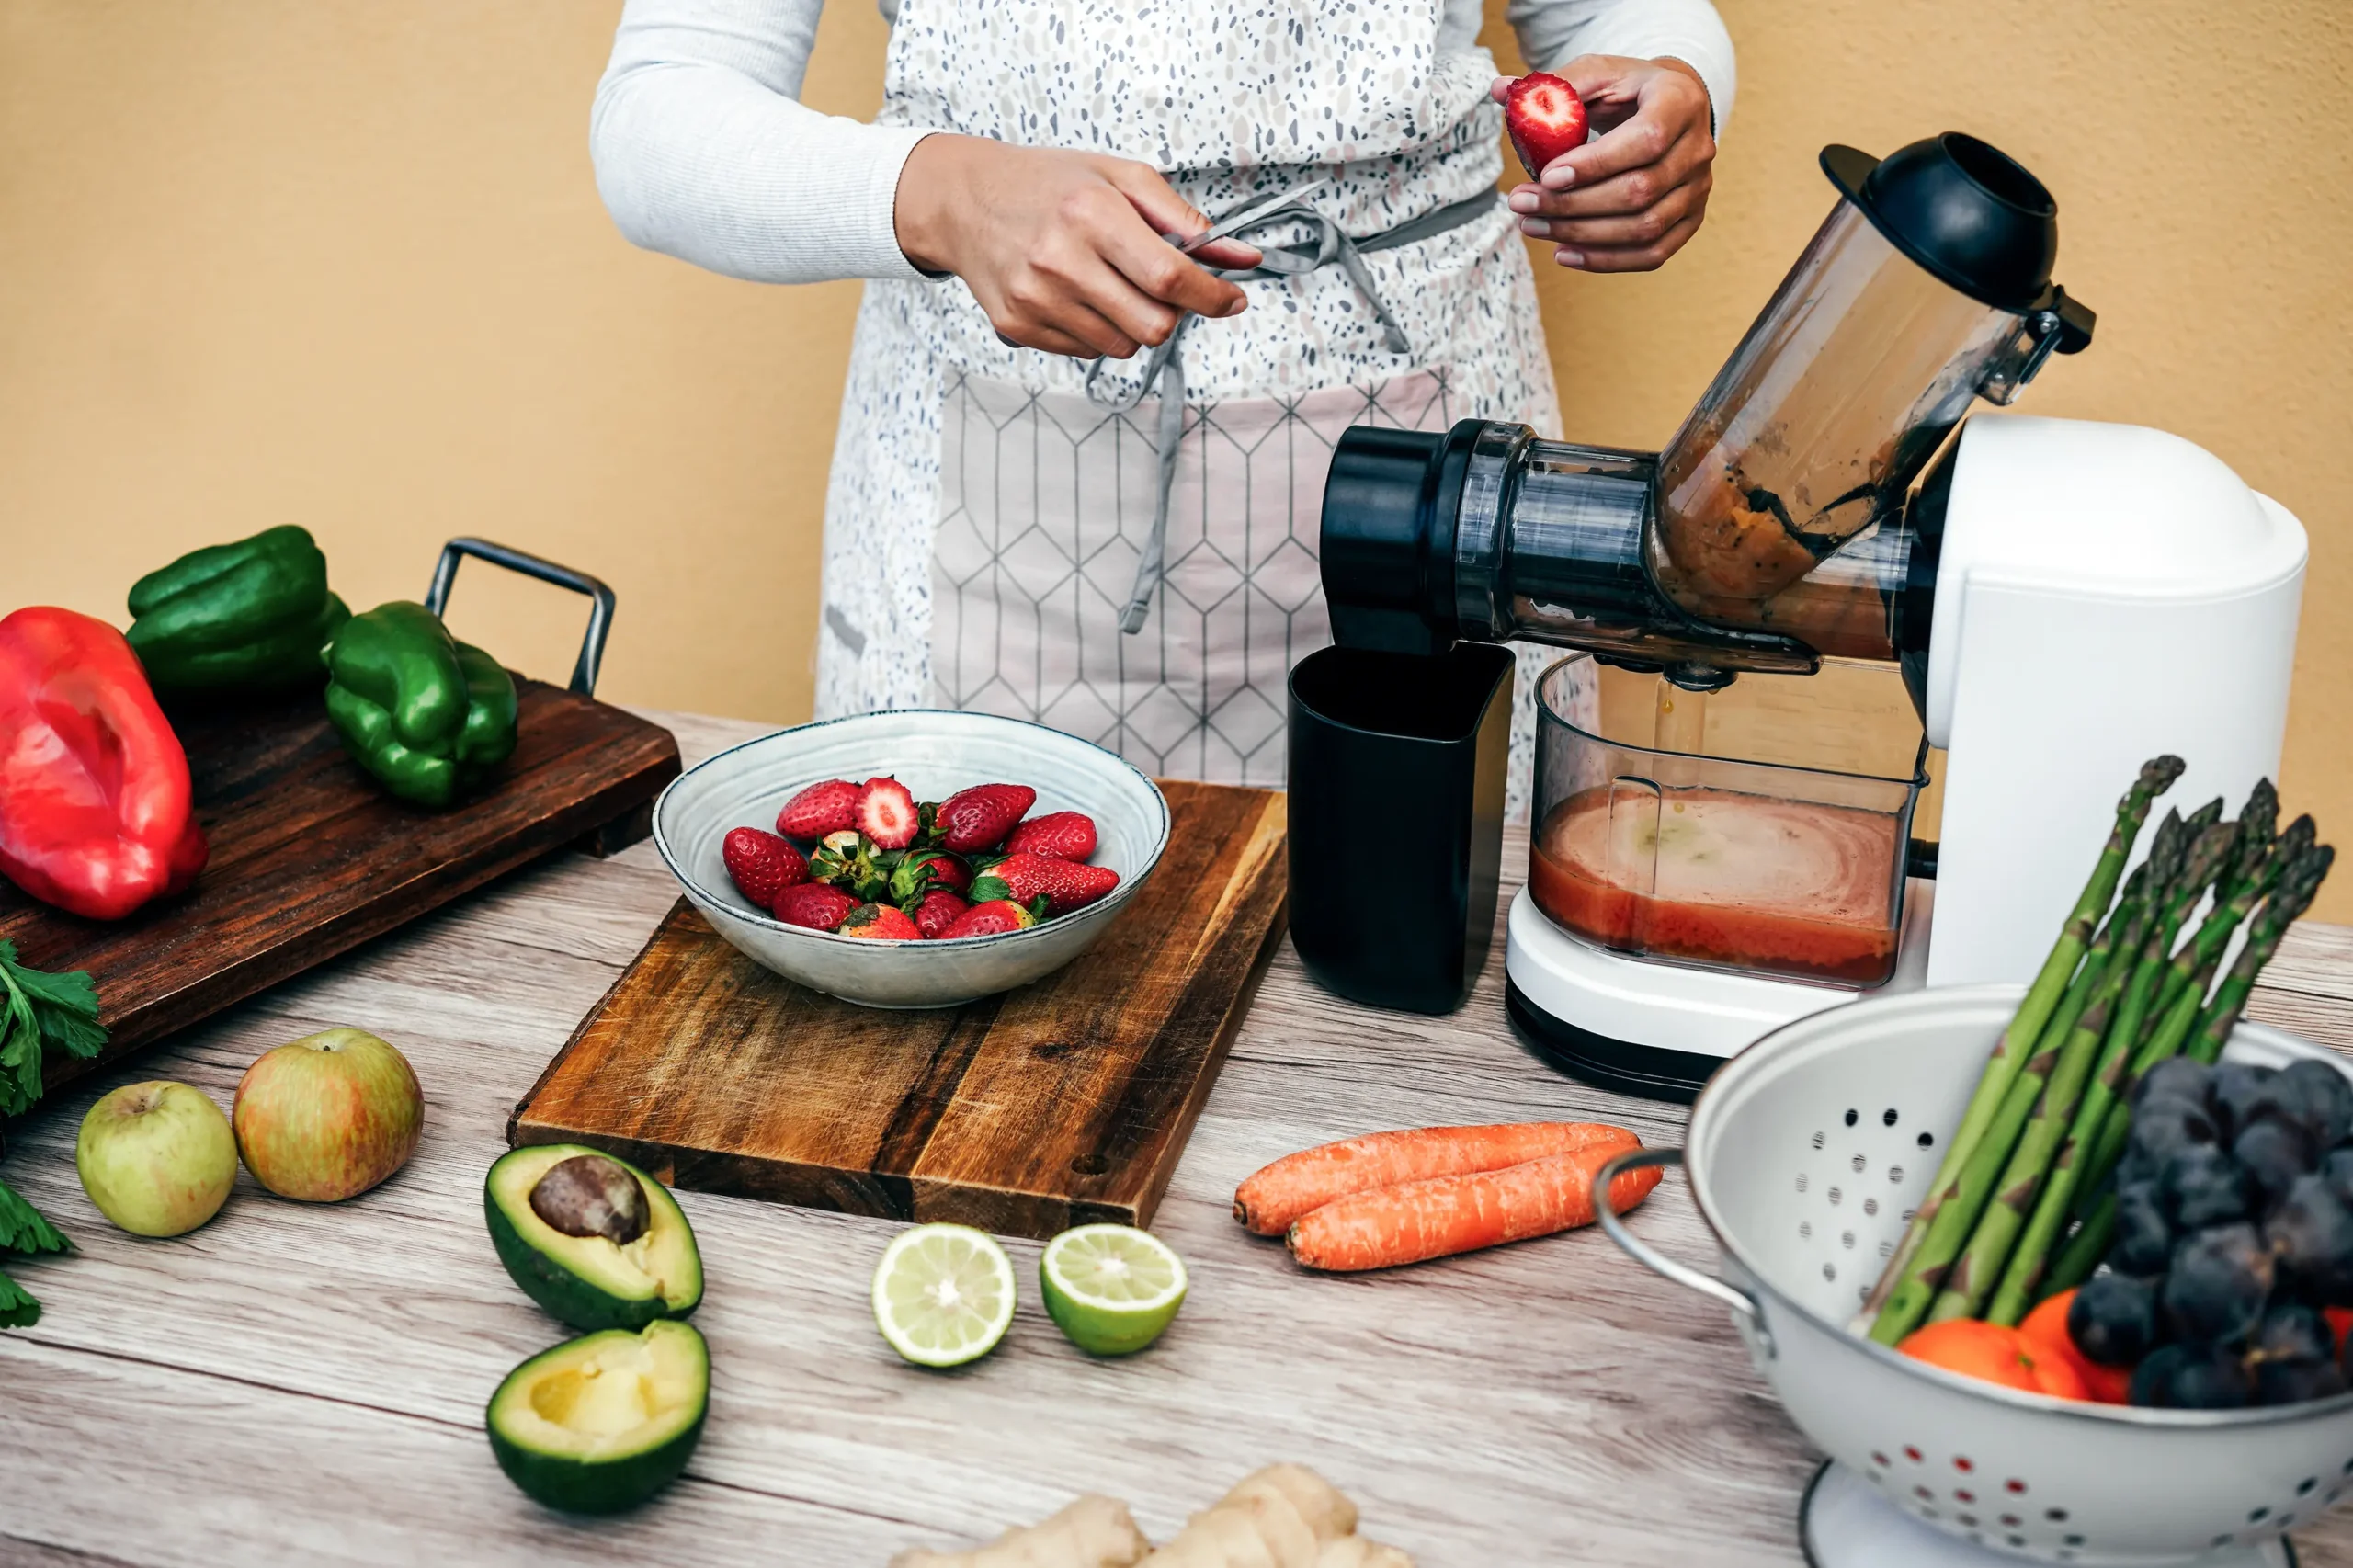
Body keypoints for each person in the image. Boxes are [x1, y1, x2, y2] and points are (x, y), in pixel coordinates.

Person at [592, 0, 1733, 803]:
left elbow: (1614, 20)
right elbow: (658, 114)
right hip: (986, 506)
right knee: (958, 947)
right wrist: (936, 193)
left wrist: (1671, 91)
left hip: (1426, 467)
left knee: (1437, 972)